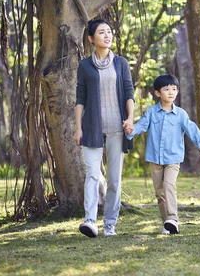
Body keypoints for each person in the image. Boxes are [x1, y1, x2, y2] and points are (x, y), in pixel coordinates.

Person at [124, 74, 200, 235]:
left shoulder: (181, 115)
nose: (171, 92)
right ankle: (167, 224)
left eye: (174, 89)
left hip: (173, 159)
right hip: (154, 158)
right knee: (159, 193)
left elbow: (192, 130)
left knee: (169, 185)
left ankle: (173, 218)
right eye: (166, 89)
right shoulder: (151, 112)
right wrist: (130, 130)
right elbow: (140, 126)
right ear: (157, 93)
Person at [75, 19, 135, 238]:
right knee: (92, 174)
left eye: (109, 32)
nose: (107, 35)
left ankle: (110, 223)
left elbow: (129, 93)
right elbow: (80, 98)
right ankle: (90, 221)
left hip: (117, 129)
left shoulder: (121, 63)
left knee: (114, 179)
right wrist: (78, 127)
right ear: (91, 38)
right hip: (91, 128)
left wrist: (130, 118)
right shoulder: (85, 66)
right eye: (101, 32)